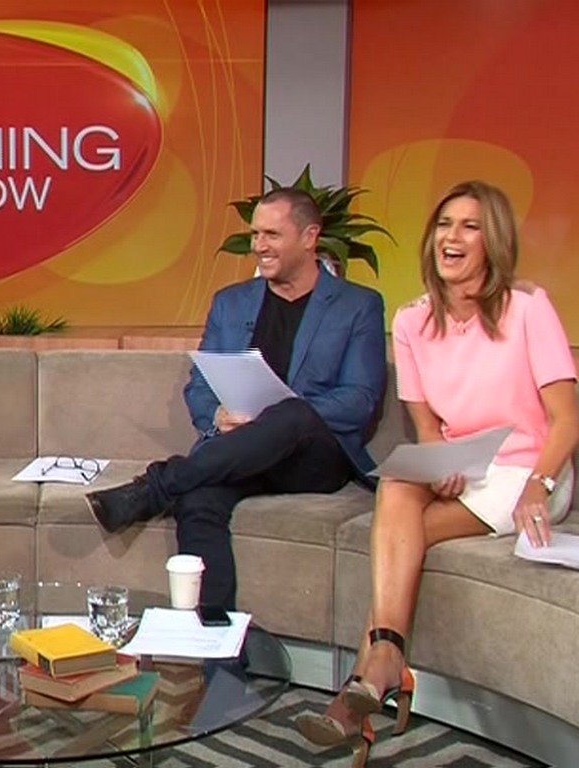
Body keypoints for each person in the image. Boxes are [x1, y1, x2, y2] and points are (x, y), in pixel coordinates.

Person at [294, 180, 579, 765]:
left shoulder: (529, 308)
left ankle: (369, 676)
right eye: (444, 224)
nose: (452, 236)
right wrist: (440, 464)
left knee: (402, 539)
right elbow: (427, 428)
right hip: (462, 466)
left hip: (527, 470)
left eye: (469, 226)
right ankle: (384, 665)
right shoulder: (412, 320)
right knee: (398, 481)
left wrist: (540, 485)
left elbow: (567, 422)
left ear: (493, 240)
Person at [85, 187, 388, 611]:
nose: (258, 246)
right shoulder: (231, 304)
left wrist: (276, 418)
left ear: (310, 237)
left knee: (291, 414)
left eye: (272, 235)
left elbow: (359, 399)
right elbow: (201, 386)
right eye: (255, 234)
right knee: (198, 499)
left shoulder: (358, 306)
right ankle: (216, 637)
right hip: (240, 452)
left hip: (314, 458)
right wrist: (217, 417)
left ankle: (156, 486)